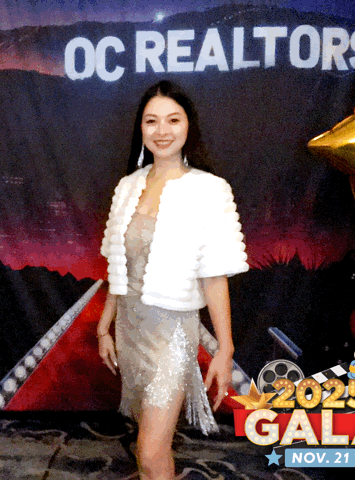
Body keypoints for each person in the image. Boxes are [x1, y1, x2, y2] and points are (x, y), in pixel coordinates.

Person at [97, 80, 249, 480]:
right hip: (130, 331)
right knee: (150, 449)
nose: (162, 131)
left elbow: (215, 276)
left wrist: (225, 349)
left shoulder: (209, 190)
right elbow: (118, 266)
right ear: (140, 128)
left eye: (173, 120)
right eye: (152, 121)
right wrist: (103, 326)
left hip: (172, 337)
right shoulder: (127, 187)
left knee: (149, 452)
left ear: (188, 126)